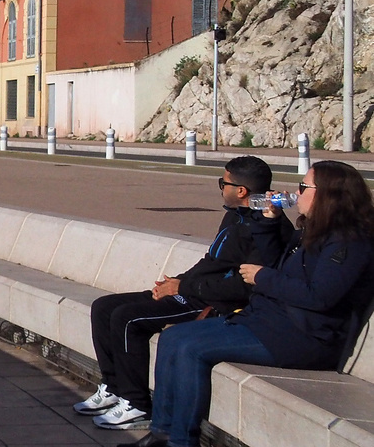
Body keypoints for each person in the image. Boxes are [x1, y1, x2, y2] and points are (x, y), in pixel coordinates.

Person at [137, 159, 374, 447]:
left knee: (190, 347)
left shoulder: (349, 242)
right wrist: (269, 221)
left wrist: (263, 278)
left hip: (306, 337)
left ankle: (182, 441)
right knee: (172, 337)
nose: (296, 193)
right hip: (272, 322)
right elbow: (278, 264)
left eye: (303, 187)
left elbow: (319, 296)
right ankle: (161, 432)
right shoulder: (312, 231)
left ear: (328, 195)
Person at [75, 156, 291, 430]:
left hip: (212, 303)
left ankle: (137, 404)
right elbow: (211, 261)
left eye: (223, 182)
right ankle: (113, 387)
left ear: (241, 190)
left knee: (127, 318)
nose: (220, 187)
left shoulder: (268, 229)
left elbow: (242, 286)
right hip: (192, 290)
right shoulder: (232, 216)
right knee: (103, 306)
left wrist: (183, 287)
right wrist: (176, 280)